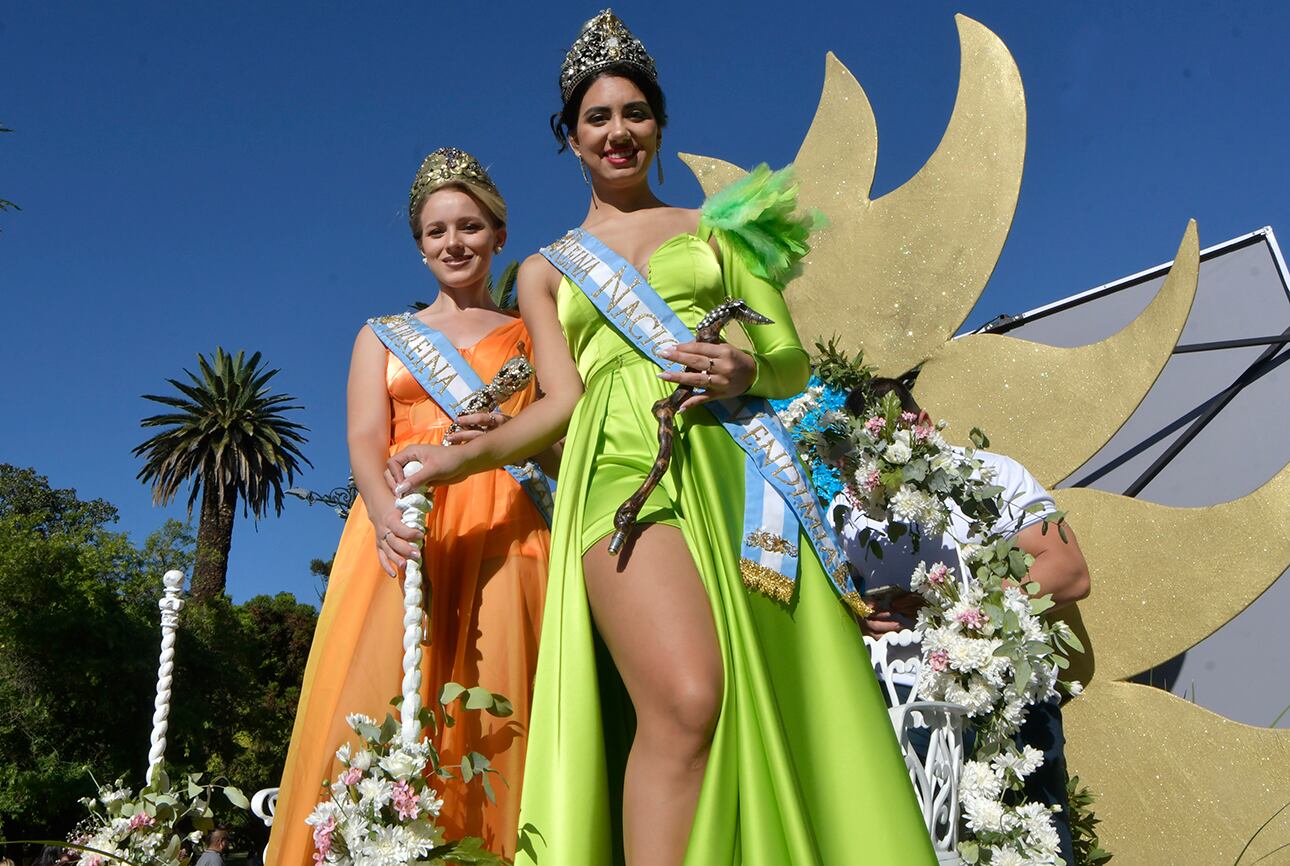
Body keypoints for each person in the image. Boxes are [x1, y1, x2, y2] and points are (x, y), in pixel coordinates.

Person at [388, 11, 936, 865]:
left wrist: (746, 372)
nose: (618, 132)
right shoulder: (544, 268)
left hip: (732, 468)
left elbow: (788, 358)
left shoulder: (721, 228)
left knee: (754, 700)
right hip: (617, 472)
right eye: (597, 118)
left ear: (660, 124)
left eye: (635, 113)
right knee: (685, 699)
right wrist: (457, 456)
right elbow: (557, 402)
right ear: (569, 137)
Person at [265, 148, 552, 862]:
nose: (454, 243)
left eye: (470, 226)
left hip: (504, 525)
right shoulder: (381, 335)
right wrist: (384, 515)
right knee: (380, 693)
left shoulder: (533, 334)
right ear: (420, 247)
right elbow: (365, 440)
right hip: (400, 526)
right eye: (436, 231)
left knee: (498, 705)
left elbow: (556, 435)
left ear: (498, 235)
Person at [839, 377, 1091, 865]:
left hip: (1005, 700)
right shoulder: (845, 508)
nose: (883, 463)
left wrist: (956, 607)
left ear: (925, 424)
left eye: (894, 440)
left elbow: (1067, 571)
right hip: (899, 705)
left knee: (1033, 848)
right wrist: (855, 614)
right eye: (866, 455)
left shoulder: (990, 475)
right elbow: (837, 599)